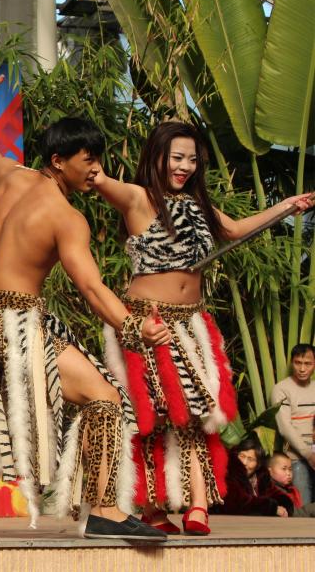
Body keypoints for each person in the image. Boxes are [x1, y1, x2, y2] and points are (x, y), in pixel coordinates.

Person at [0, 78, 169, 540]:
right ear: (59, 161)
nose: (96, 169)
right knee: (106, 400)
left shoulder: (10, 175)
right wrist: (135, 328)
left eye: (98, 158)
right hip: (17, 329)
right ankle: (104, 513)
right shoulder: (66, 217)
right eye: (87, 160)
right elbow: (93, 289)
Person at [94, 121, 313, 535]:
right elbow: (104, 183)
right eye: (177, 158)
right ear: (157, 156)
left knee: (197, 413)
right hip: (148, 322)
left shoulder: (197, 205)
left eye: (192, 159)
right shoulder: (139, 198)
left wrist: (287, 206)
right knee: (154, 415)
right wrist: (89, 168)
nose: (185, 167)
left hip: (191, 321)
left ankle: (198, 505)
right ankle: (153, 508)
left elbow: (234, 229)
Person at [271, 343, 315, 504]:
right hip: (296, 459)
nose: (302, 369)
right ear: (292, 362)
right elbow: (284, 427)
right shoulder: (281, 389)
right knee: (302, 509)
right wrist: (309, 455)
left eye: (307, 363)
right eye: (298, 363)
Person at [215, 438, 285, 517]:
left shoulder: (261, 476)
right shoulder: (229, 472)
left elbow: (274, 492)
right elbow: (238, 503)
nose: (244, 462)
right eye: (242, 456)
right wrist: (271, 508)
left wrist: (285, 505)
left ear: (258, 464)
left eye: (250, 459)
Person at [267, 451, 315, 517]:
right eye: (284, 469)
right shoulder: (272, 492)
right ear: (270, 471)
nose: (288, 473)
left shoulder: (289, 489)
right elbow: (292, 513)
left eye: (290, 469)